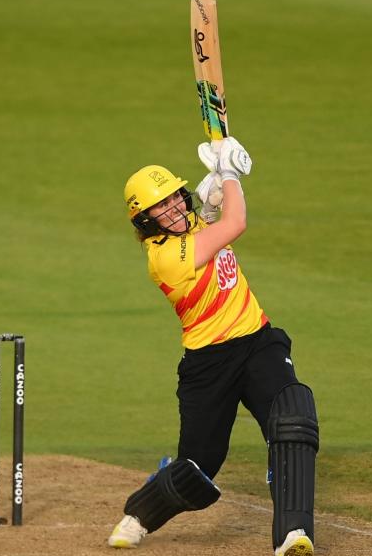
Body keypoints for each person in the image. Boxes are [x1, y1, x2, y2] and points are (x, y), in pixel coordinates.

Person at [108, 137, 319, 556]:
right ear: (146, 221)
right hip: (209, 364)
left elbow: (211, 222)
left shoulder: (192, 225)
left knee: (293, 417)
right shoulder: (165, 257)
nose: (172, 210)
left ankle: (294, 534)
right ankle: (140, 513)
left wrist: (208, 201)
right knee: (197, 469)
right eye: (160, 208)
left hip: (257, 342)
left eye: (174, 198)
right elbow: (235, 223)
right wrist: (229, 173)